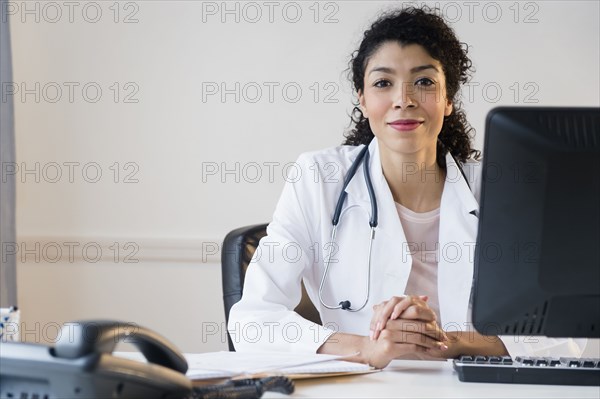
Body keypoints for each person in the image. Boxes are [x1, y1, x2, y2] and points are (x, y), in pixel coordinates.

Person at [227, 6, 587, 368]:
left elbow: (562, 337)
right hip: (363, 384)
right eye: (383, 83)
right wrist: (370, 347)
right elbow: (251, 323)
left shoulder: (499, 189)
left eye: (425, 81)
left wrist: (452, 341)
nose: (404, 99)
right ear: (363, 99)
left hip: (468, 386)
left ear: (448, 100)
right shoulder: (317, 179)